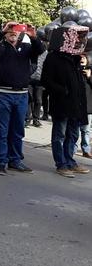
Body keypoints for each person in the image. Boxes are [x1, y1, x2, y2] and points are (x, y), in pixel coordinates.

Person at [0, 22, 44, 175]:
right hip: (3, 93)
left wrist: (33, 36)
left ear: (20, 34)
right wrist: (2, 30)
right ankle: (1, 162)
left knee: (18, 130)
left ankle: (15, 160)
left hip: (21, 95)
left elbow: (40, 49)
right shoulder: (0, 47)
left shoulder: (26, 49)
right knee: (2, 130)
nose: (13, 32)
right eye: (10, 30)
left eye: (15, 30)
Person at [41, 33, 90, 178]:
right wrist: (62, 90)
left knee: (73, 134)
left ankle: (70, 161)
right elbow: (46, 80)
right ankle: (61, 164)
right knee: (60, 134)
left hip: (76, 104)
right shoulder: (53, 57)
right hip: (61, 103)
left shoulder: (75, 59)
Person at [28, 48, 48, 127]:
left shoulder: (45, 53)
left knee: (38, 100)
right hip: (29, 78)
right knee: (30, 99)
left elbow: (47, 66)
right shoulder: (31, 49)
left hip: (40, 80)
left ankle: (36, 119)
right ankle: (27, 118)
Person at [78, 54, 92, 158]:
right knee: (74, 130)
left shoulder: (90, 71)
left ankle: (86, 149)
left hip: (88, 106)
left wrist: (89, 77)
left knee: (86, 130)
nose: (82, 59)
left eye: (84, 58)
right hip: (76, 105)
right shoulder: (75, 70)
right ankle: (72, 149)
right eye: (80, 58)